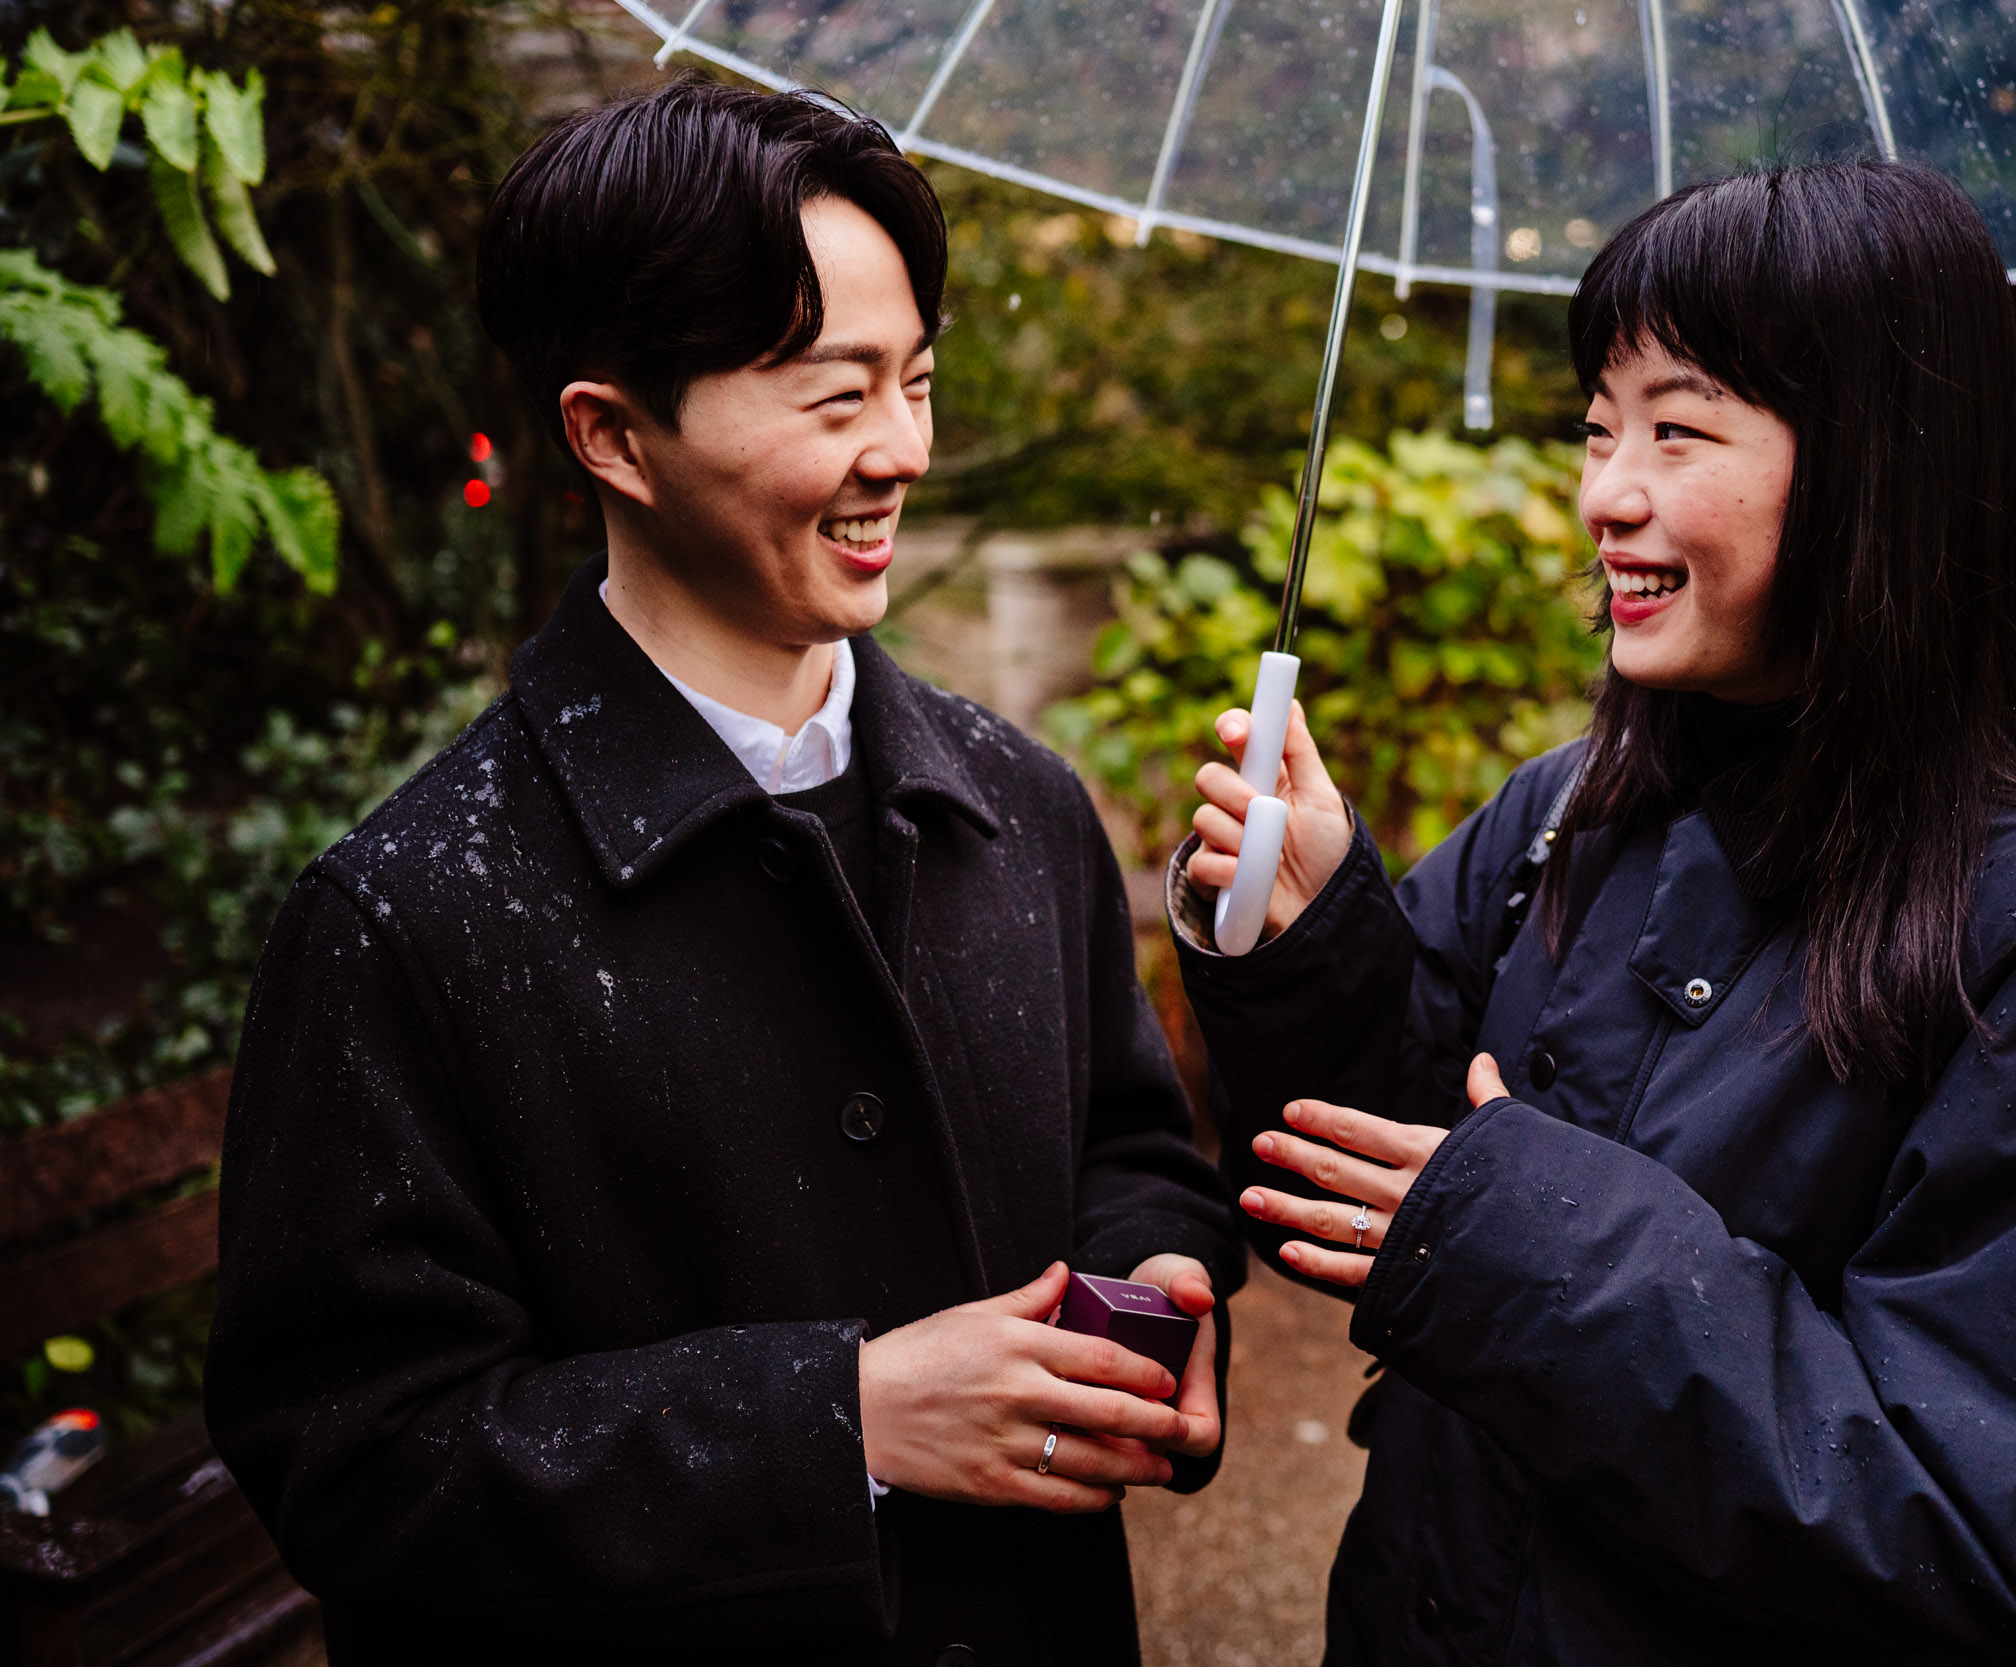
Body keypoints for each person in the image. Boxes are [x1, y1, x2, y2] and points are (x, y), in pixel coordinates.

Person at [205, 79, 1242, 1666]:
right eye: (834, 399)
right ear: (612, 433)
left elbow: (1132, 1142)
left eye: (918, 382)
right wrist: (839, 1425)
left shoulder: (1018, 807)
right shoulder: (408, 916)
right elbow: (352, 1460)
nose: (901, 449)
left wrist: (1152, 1277)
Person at [1172, 161, 2016, 1664]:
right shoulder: (1565, 814)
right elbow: (1370, 1187)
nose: (1608, 493)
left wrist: (1526, 1240)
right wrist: (1312, 932)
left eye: (1679, 429)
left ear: (1876, 464)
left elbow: (1967, 1524)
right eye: (1599, 430)